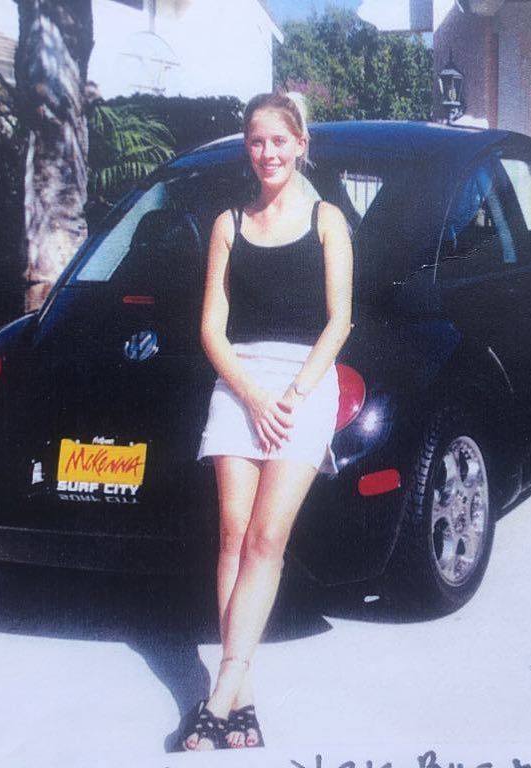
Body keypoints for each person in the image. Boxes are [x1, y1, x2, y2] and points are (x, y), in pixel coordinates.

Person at [183, 91, 353, 750]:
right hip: (239, 383)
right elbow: (210, 327)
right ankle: (242, 694)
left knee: (266, 539)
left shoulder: (326, 220)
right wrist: (251, 394)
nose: (268, 153)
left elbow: (341, 320)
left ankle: (221, 686)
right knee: (232, 534)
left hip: (304, 385)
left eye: (279, 141)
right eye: (257, 141)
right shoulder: (229, 222)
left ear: (300, 144)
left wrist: (292, 395)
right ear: (246, 146)